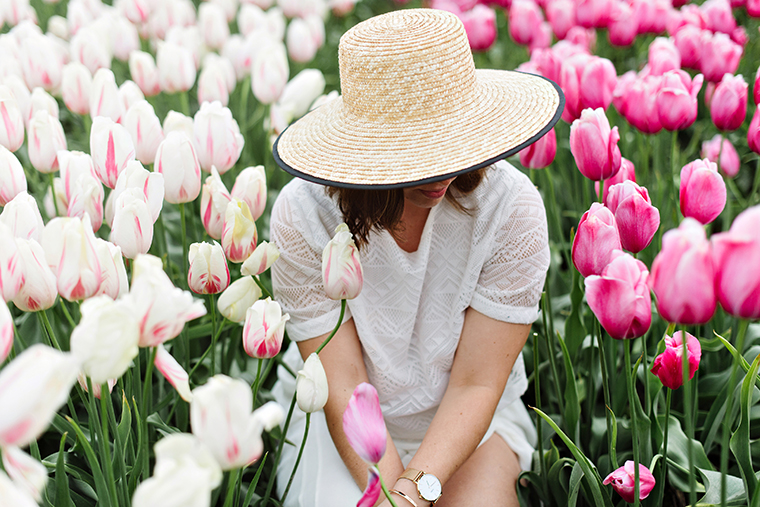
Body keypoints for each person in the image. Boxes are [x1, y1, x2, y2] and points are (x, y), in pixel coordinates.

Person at [268, 8, 564, 507]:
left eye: (450, 140)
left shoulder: (510, 210)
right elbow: (344, 382)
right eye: (415, 152)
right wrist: (384, 490)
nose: (440, 172)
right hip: (343, 424)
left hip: (472, 424)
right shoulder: (305, 215)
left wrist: (410, 494)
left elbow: (475, 384)